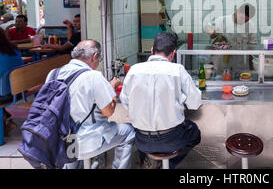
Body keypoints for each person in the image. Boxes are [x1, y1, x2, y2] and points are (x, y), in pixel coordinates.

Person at [48, 39, 135, 169]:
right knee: (129, 132)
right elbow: (108, 112)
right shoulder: (93, 76)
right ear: (94, 56)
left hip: (59, 140)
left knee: (73, 145)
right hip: (86, 141)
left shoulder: (53, 73)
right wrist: (110, 88)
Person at [120, 32, 202, 169]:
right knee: (194, 133)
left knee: (139, 132)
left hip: (142, 140)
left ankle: (149, 161)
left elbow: (125, 101)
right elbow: (195, 103)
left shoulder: (134, 70)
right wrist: (179, 98)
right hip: (172, 140)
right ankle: (168, 164)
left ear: (152, 51)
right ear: (173, 53)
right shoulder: (177, 70)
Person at [205, 3, 257, 73]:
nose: (243, 22)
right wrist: (212, 32)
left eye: (246, 20)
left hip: (240, 65)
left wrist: (252, 67)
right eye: (241, 18)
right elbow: (208, 26)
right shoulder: (223, 20)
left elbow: (251, 49)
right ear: (237, 11)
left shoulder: (250, 26)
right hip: (222, 63)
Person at [0, 28, 24, 135]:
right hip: (18, 91)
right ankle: (5, 120)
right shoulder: (13, 49)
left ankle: (4, 122)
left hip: (5, 94)